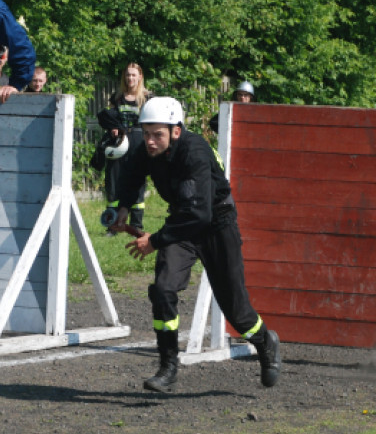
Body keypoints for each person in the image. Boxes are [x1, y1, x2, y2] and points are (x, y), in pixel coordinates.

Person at [111, 97, 281, 393]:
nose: (149, 142)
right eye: (146, 133)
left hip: (217, 224)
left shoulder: (195, 152)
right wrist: (123, 207)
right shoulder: (148, 149)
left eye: (157, 135)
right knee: (163, 290)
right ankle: (168, 367)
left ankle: (266, 343)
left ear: (176, 131)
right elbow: (131, 175)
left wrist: (155, 240)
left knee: (238, 314)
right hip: (182, 224)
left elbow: (200, 215)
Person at [97, 63, 151, 234]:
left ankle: (136, 225)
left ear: (140, 77)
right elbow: (110, 118)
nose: (130, 78)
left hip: (138, 142)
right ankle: (112, 224)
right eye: (128, 75)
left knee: (137, 180)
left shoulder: (148, 98)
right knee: (113, 182)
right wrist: (112, 128)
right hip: (118, 142)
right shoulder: (117, 97)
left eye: (134, 75)